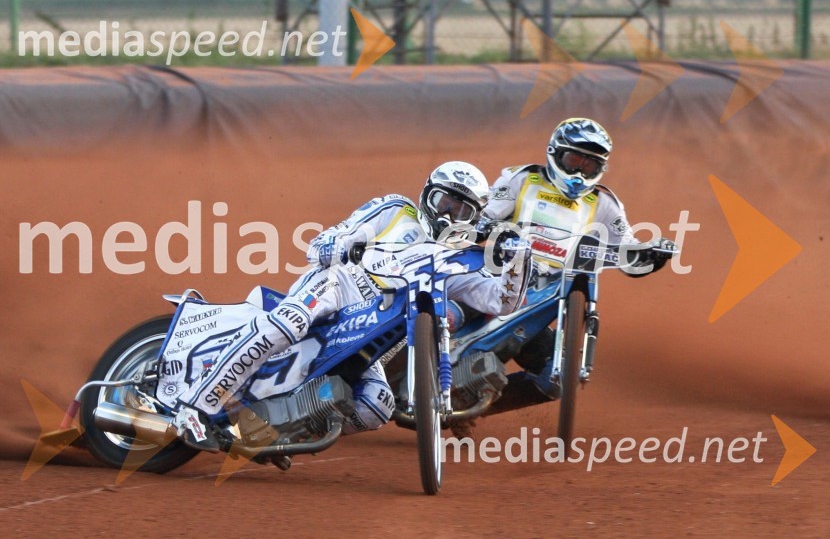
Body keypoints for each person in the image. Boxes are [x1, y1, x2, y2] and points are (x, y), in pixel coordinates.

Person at [173, 161, 532, 451]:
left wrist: (518, 262)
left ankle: (282, 432)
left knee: (376, 405)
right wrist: (340, 245)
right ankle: (194, 405)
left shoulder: (453, 259)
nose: (448, 215)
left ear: (474, 218)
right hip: (337, 287)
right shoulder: (395, 209)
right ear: (427, 195)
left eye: (462, 210)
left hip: (368, 332)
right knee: (288, 324)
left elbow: (500, 300)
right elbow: (324, 242)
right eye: (444, 202)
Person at [467, 117, 676, 417]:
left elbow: (628, 254)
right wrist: (489, 229)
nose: (579, 173)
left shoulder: (604, 203)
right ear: (555, 153)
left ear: (600, 168)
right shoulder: (522, 179)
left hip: (539, 305)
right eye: (574, 160)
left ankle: (466, 409)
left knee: (558, 380)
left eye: (588, 166)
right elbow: (482, 217)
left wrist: (651, 256)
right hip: (493, 281)